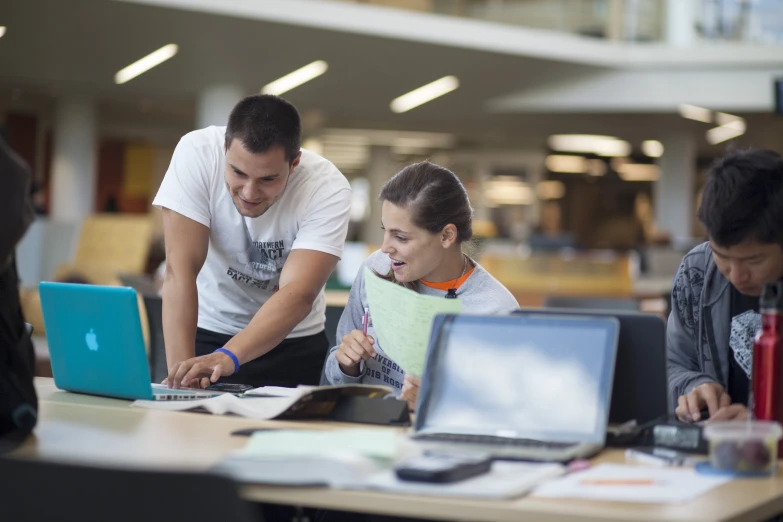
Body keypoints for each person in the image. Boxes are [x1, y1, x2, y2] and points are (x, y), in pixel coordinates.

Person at [153, 94, 352, 389]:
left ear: (294, 163)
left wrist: (229, 357)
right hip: (208, 330)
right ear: (225, 149)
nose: (249, 192)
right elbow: (180, 271)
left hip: (292, 342)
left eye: (267, 179)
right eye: (238, 172)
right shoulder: (196, 153)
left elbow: (298, 293)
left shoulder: (326, 188)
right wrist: (182, 378)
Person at [322, 161, 519, 409]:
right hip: (364, 426)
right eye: (385, 231)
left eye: (401, 237)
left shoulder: (496, 310)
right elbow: (335, 375)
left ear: (447, 236)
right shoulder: (376, 269)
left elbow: (501, 409)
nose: (385, 248)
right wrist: (346, 363)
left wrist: (436, 403)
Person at [669, 149, 783, 423]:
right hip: (717, 454)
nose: (736, 275)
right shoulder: (696, 272)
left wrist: (763, 424)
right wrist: (693, 387)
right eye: (722, 256)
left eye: (754, 259)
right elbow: (675, 364)